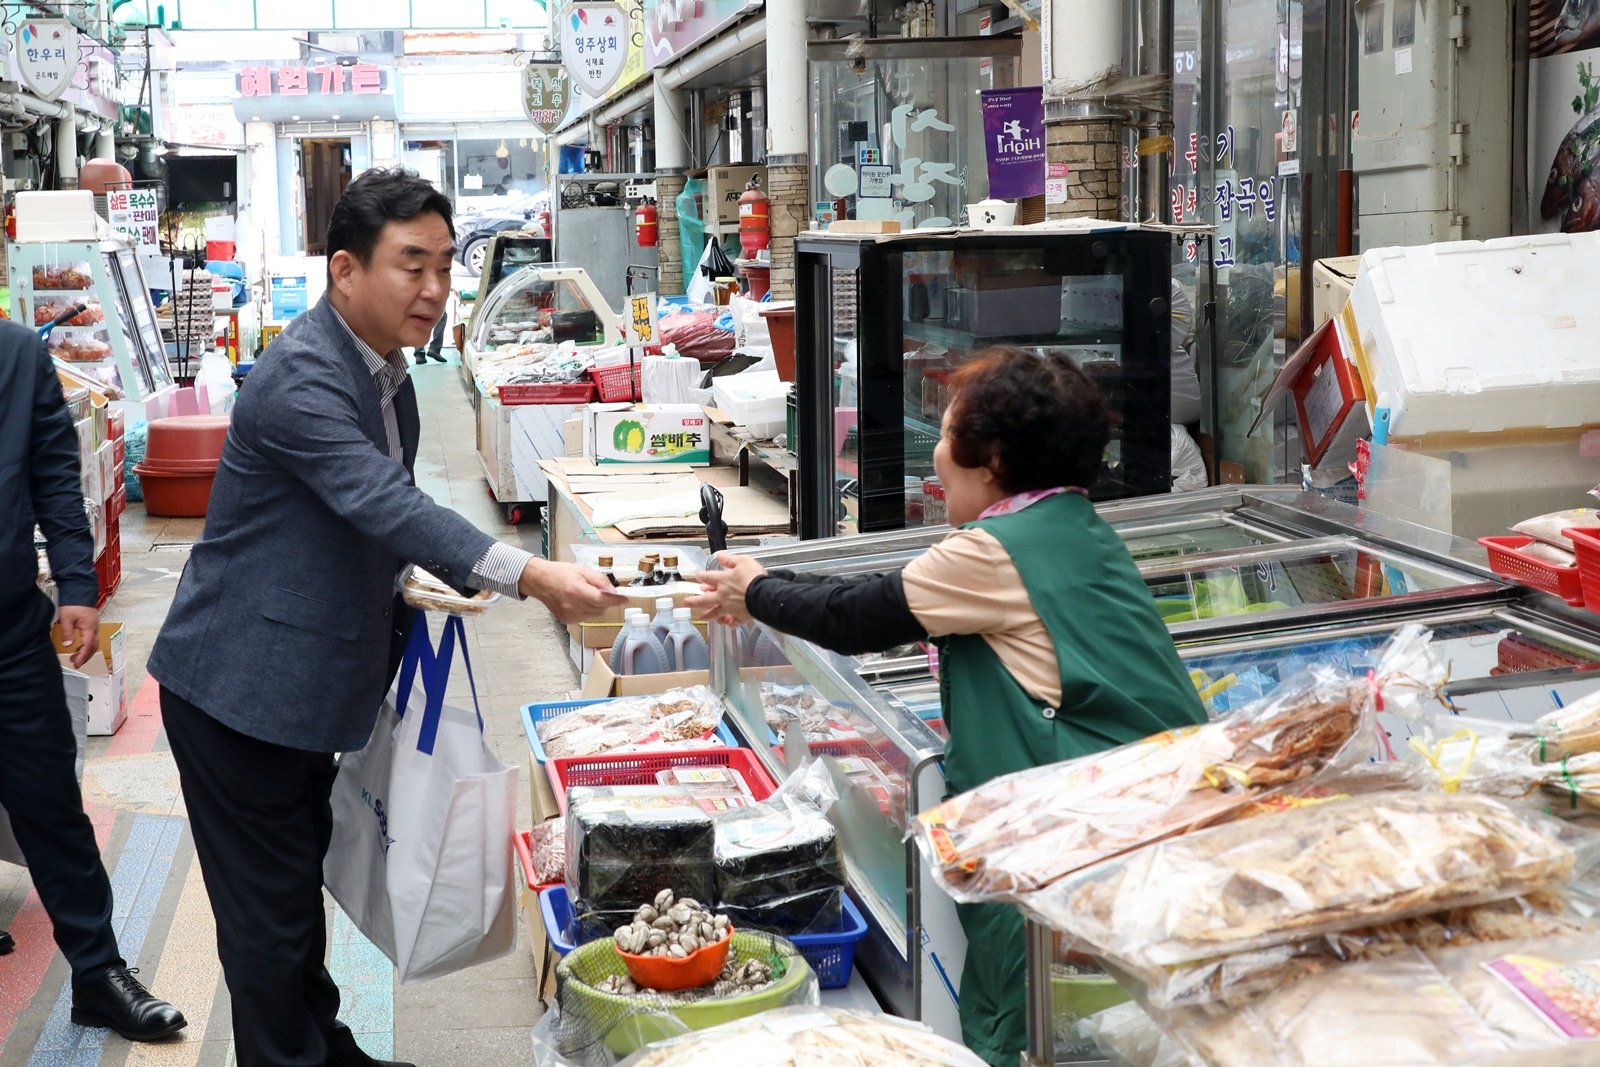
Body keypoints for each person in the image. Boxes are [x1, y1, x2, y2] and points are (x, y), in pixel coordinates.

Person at [147, 168, 624, 1067]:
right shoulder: (300, 376)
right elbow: (383, 500)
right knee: (267, 924)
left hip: (310, 684)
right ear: (343, 271)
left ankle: (323, 1048)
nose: (436, 289)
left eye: (445, 265)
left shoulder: (390, 373)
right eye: (413, 265)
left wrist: (405, 579)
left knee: (295, 896)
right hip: (237, 691)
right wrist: (530, 574)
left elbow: (375, 514)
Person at [688, 347, 1207, 1066]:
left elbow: (864, 613)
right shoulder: (1069, 526)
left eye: (946, 432)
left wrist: (757, 594)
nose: (933, 451)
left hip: (1067, 841)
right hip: (1138, 822)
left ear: (988, 459)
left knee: (1030, 1027)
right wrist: (767, 580)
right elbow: (885, 585)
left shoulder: (996, 552)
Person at [0, 322, 187, 1041]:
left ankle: (99, 972)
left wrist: (77, 583)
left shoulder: (18, 358)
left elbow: (54, 477)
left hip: (9, 630)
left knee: (49, 801)